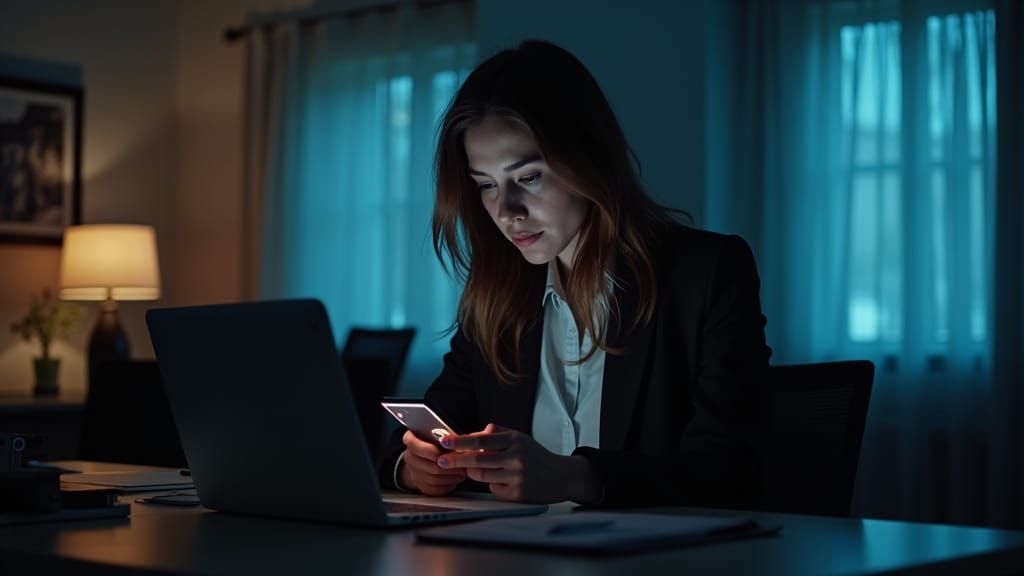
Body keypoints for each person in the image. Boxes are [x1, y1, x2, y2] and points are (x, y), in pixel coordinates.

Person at [378, 40, 771, 508]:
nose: (506, 212)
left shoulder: (704, 275)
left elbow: (730, 472)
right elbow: (402, 450)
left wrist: (575, 477)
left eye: (527, 178)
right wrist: (415, 469)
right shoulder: (497, 301)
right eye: (486, 186)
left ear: (588, 159)